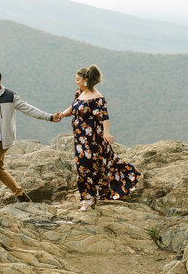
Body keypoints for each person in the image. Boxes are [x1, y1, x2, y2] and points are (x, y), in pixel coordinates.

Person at [0, 68, 62, 209]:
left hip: (1, 140)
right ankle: (21, 195)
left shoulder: (10, 96)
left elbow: (29, 109)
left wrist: (50, 117)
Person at [54, 65, 139, 211]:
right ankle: (88, 198)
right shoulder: (80, 92)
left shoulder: (97, 98)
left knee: (88, 166)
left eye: (78, 79)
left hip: (92, 139)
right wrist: (61, 114)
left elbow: (104, 117)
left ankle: (88, 199)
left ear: (86, 80)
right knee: (82, 167)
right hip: (80, 140)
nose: (76, 82)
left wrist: (106, 133)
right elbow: (73, 108)